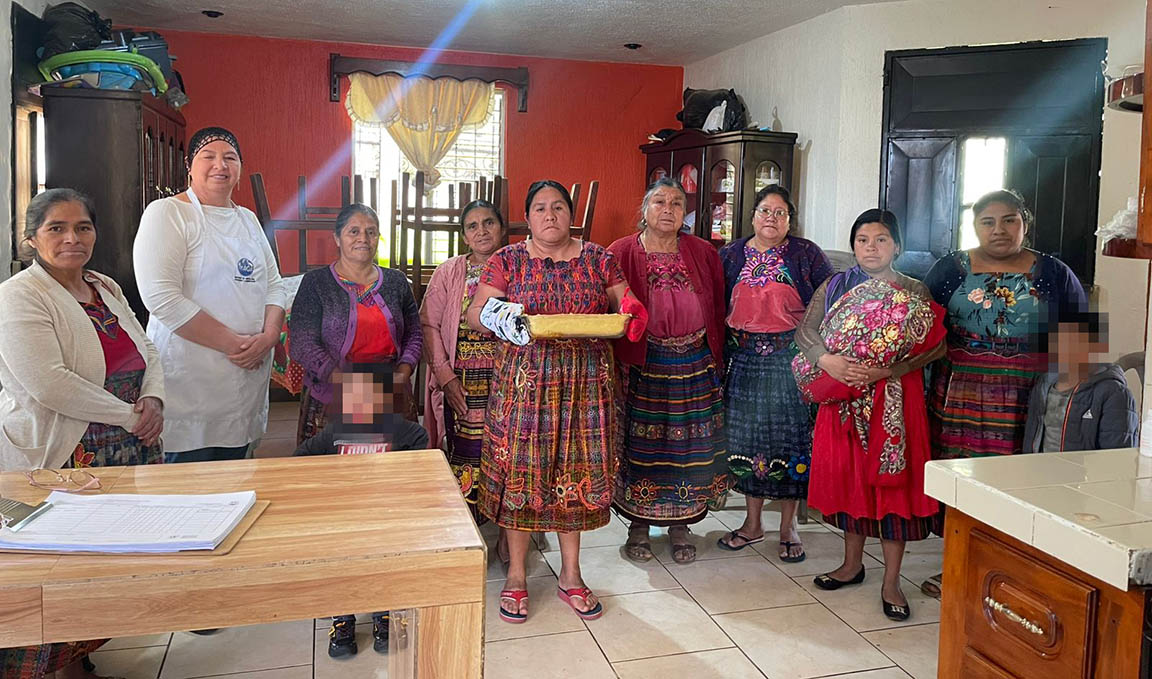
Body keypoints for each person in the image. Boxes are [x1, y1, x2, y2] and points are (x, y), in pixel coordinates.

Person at [0, 189, 165, 678]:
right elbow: (50, 383)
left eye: (83, 227)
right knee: (63, 569)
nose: (72, 238)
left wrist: (154, 399)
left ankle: (78, 664)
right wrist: (131, 416)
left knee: (109, 567)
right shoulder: (19, 296)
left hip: (128, 443)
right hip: (68, 453)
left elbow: (148, 348)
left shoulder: (103, 285)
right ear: (32, 239)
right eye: (57, 228)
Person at [467, 180, 647, 624]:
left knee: (576, 476)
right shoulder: (507, 260)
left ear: (571, 215)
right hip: (524, 389)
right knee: (521, 477)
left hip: (586, 388)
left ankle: (571, 575)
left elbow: (623, 299)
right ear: (527, 218)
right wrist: (501, 316)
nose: (550, 215)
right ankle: (516, 575)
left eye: (559, 207)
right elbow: (475, 314)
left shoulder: (599, 259)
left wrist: (633, 310)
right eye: (540, 208)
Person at [920, 188, 1087, 598]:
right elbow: (921, 327)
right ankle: (958, 564)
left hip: (1030, 394)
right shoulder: (950, 269)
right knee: (961, 475)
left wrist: (1069, 393)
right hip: (959, 392)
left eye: (1009, 220)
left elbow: (1081, 337)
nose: (999, 229)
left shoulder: (1053, 272)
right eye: (988, 222)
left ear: (1025, 223)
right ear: (974, 226)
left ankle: (1012, 568)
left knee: (1021, 477)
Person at [795, 209, 946, 622]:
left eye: (881, 240)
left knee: (894, 487)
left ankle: (892, 581)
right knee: (851, 481)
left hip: (894, 400)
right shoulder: (836, 285)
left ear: (896, 246)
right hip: (843, 398)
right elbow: (805, 331)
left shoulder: (913, 289)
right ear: (853, 247)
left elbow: (935, 346)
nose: (871, 248)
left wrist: (889, 370)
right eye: (862, 240)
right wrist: (827, 361)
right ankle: (851, 565)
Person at [134, 126, 286, 463]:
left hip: (246, 378)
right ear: (189, 165)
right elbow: (161, 297)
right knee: (188, 484)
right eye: (209, 156)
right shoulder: (168, 213)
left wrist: (269, 336)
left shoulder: (247, 219)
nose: (221, 165)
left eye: (230, 157)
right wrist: (236, 345)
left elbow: (275, 284)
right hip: (189, 382)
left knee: (237, 478)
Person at [607, 179, 728, 565]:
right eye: (659, 201)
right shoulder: (621, 252)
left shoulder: (703, 252)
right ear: (644, 210)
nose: (668, 209)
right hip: (645, 363)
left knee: (689, 449)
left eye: (677, 203)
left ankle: (681, 525)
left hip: (694, 361)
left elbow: (717, 305)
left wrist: (715, 356)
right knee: (644, 449)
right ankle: (639, 526)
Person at [716, 185, 833, 563]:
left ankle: (788, 527)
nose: (771, 218)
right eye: (765, 210)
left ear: (790, 221)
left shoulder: (805, 253)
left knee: (790, 442)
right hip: (744, 358)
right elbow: (715, 303)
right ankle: (752, 524)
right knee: (746, 440)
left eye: (780, 213)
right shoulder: (730, 254)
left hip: (790, 360)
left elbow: (830, 300)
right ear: (752, 216)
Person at [294, 361, 429, 658]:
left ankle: (384, 614)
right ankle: (343, 619)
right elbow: (301, 457)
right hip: (345, 520)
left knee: (386, 564)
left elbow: (422, 443)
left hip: (385, 518)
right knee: (340, 568)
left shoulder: (399, 430)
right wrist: (326, 486)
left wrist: (404, 478)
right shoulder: (335, 432)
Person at [289, 203, 422, 443]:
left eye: (371, 232)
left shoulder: (397, 282)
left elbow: (414, 333)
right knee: (336, 464)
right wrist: (344, 382)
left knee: (391, 464)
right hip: (332, 395)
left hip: (391, 391)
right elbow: (302, 341)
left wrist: (402, 374)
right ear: (337, 238)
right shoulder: (316, 283)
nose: (363, 238)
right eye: (354, 231)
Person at [420, 200, 506, 525]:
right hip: (463, 382)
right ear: (465, 236)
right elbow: (428, 324)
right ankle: (467, 526)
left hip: (510, 380)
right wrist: (446, 377)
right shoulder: (449, 272)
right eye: (472, 226)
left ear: (501, 228)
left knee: (510, 453)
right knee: (466, 455)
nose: (481, 231)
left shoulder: (518, 266)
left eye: (489, 223)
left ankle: (509, 531)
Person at [1023, 311, 1138, 453]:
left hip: (1085, 468)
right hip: (1040, 466)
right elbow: (1031, 441)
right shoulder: (1043, 386)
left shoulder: (1113, 393)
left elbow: (1117, 455)